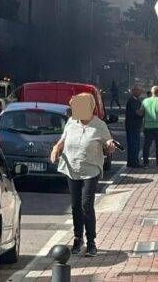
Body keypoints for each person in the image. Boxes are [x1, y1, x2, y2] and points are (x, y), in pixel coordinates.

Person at [50, 93, 119, 257]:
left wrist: (110, 146)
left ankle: (91, 242)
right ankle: (77, 238)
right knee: (75, 205)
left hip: (90, 169)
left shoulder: (99, 125)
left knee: (86, 204)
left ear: (90, 108)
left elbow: (108, 145)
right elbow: (62, 140)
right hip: (72, 168)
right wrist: (56, 149)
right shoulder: (71, 122)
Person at [138, 85, 158, 167]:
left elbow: (141, 112)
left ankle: (146, 162)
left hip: (148, 126)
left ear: (151, 92)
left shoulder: (145, 101)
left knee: (146, 145)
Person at [124, 84, 144, 168]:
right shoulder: (132, 100)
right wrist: (145, 112)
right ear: (134, 91)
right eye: (138, 90)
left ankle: (132, 162)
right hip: (132, 126)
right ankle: (133, 162)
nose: (139, 92)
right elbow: (138, 112)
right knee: (133, 145)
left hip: (135, 126)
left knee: (135, 145)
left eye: (140, 90)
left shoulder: (137, 100)